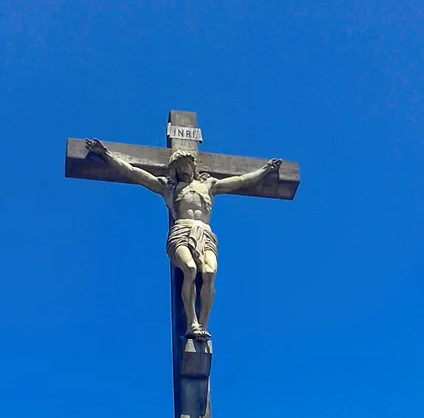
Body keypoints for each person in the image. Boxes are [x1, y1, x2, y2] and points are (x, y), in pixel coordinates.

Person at [85, 139, 282, 339]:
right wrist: (107, 154)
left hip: (204, 233)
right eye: (179, 166)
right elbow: (135, 173)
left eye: (186, 164)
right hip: (181, 231)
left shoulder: (209, 185)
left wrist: (266, 170)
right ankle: (192, 323)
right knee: (190, 268)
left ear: (192, 165)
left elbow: (241, 181)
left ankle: (203, 323)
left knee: (209, 271)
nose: (184, 168)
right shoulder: (168, 188)